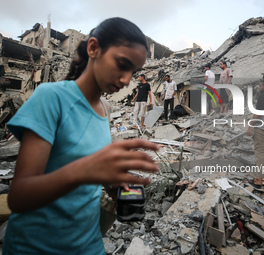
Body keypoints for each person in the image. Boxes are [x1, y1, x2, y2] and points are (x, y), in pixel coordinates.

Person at [3, 17, 159, 255]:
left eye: (133, 71)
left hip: (89, 245)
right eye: (122, 64)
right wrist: (84, 170)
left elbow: (88, 175)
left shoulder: (105, 109)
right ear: (93, 48)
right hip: (36, 248)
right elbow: (19, 197)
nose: (127, 80)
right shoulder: (50, 98)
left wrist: (115, 185)